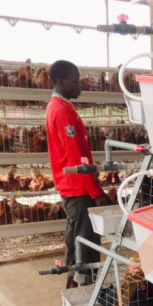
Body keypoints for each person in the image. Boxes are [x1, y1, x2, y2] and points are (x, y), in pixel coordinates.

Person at [46, 60, 110, 288]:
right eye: (75, 81)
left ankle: (74, 291)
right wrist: (95, 191)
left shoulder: (60, 107)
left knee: (76, 243)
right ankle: (87, 294)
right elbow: (75, 157)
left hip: (74, 186)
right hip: (78, 188)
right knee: (86, 245)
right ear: (62, 82)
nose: (79, 86)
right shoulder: (61, 111)